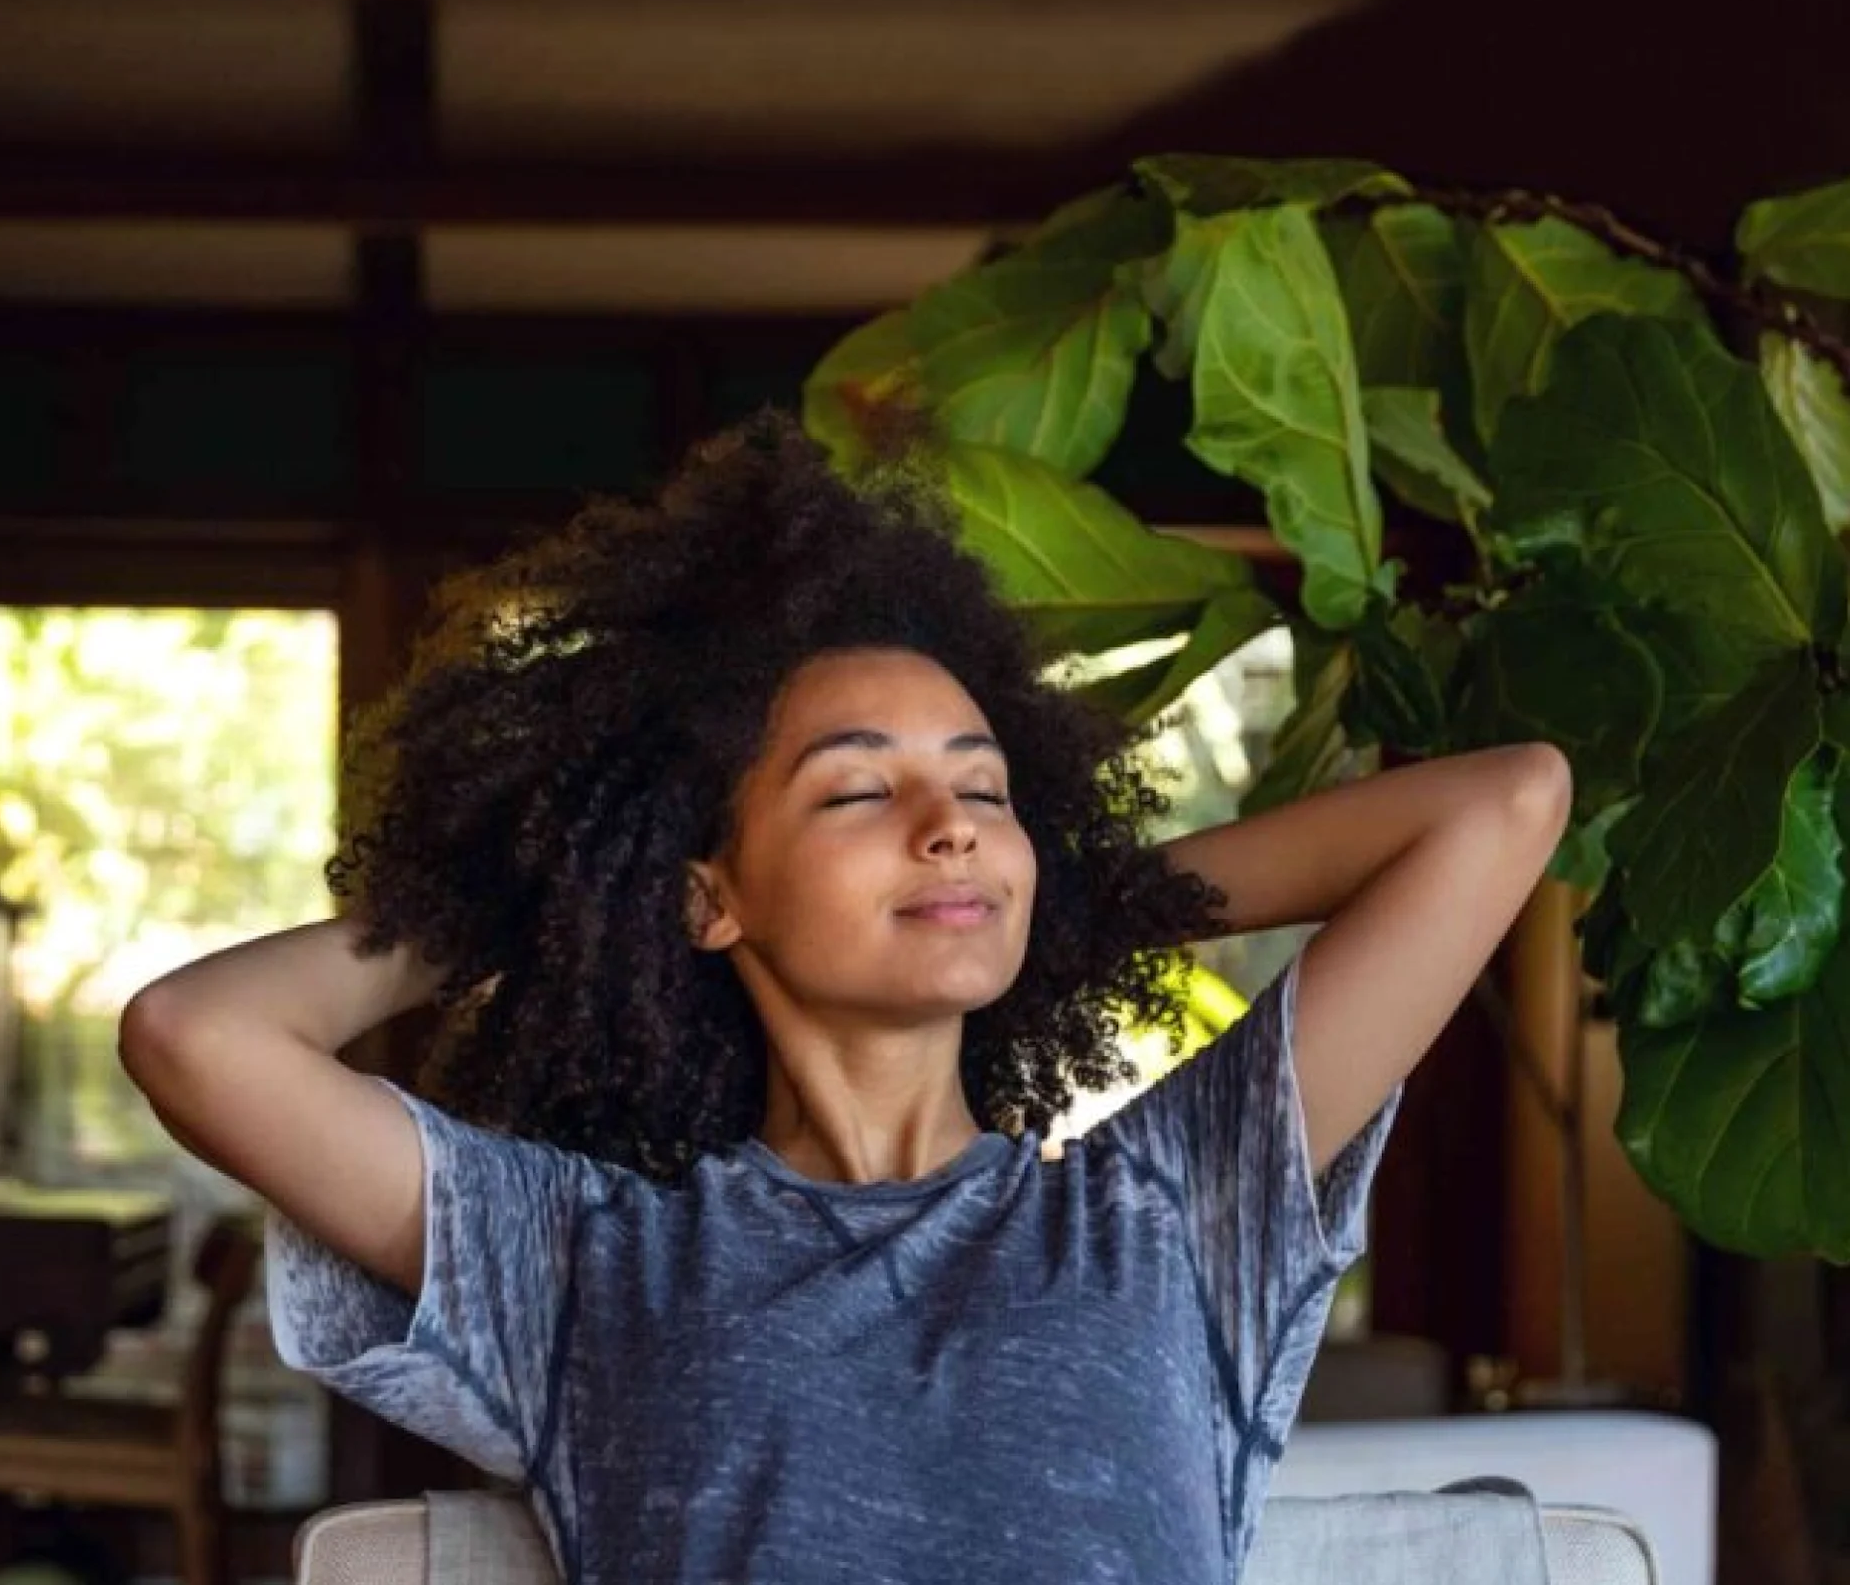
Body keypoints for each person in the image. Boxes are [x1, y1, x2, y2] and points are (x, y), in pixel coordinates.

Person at [119, 410, 1570, 1584]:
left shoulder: (1173, 1207)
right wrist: (557, 891)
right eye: (863, 789)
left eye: (986, 790)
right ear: (709, 894)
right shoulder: (576, 1264)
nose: (948, 823)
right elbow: (197, 1037)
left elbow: (1509, 804)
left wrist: (1067, 900)